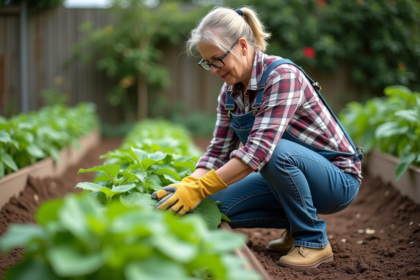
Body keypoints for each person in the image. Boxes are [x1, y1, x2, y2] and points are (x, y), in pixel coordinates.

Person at [152, 6, 364, 269]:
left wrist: (199, 188)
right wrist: (189, 185)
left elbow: (259, 152)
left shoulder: (282, 76)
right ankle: (295, 227)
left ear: (242, 46)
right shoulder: (229, 93)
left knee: (273, 153)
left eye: (217, 59)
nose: (213, 69)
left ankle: (313, 239)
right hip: (288, 172)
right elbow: (218, 151)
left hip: (337, 180)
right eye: (207, 62)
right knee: (215, 206)